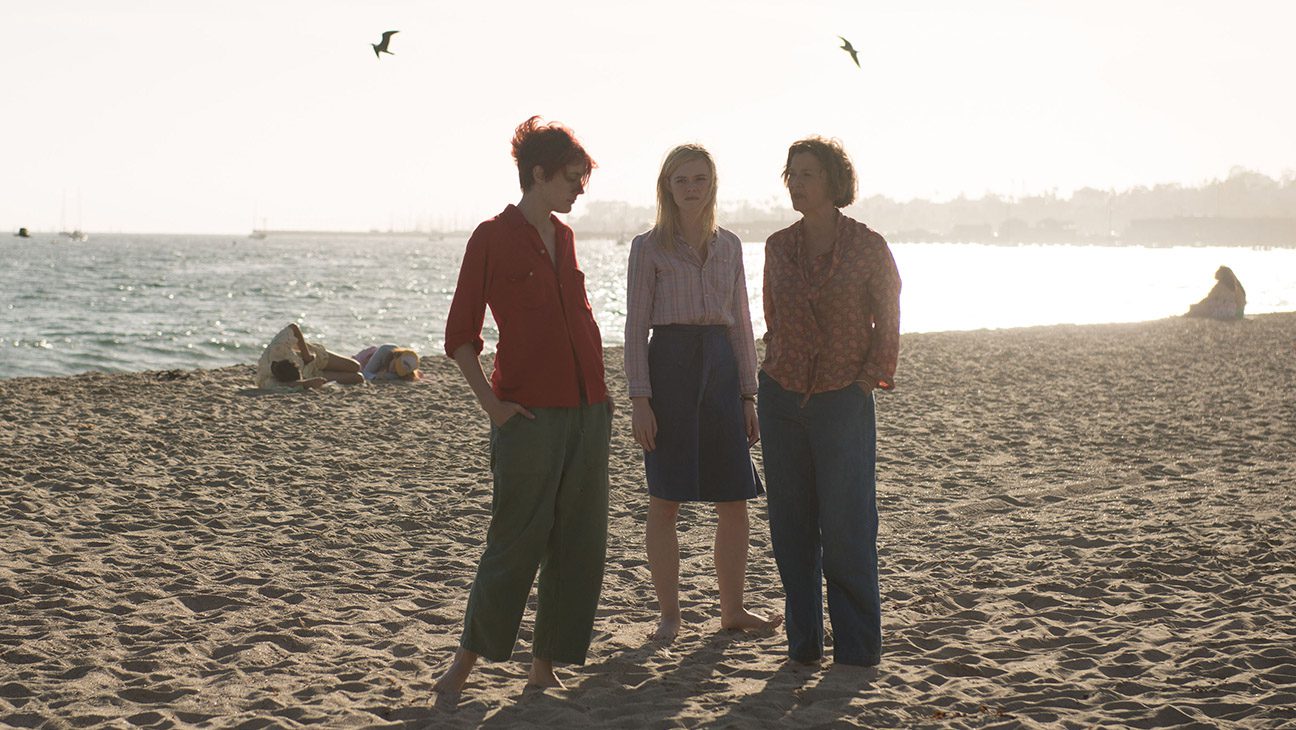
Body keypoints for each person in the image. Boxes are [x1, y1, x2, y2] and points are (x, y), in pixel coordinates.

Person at [434, 116, 612, 695]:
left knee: (579, 541)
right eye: (570, 178)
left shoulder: (565, 237)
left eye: (582, 180)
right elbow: (461, 334)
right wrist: (491, 406)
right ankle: (465, 662)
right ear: (537, 174)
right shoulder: (490, 237)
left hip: (589, 408)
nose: (578, 191)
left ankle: (545, 667)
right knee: (515, 540)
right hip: (528, 414)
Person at [625, 144, 782, 642]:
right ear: (666, 187)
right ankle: (670, 615)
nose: (691, 188)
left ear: (712, 185)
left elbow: (742, 323)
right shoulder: (647, 247)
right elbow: (633, 329)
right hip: (668, 367)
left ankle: (731, 610)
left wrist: (748, 395)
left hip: (720, 367)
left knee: (734, 497)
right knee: (664, 499)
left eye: (699, 179)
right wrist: (640, 400)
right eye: (681, 180)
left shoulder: (731, 245)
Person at [757, 136, 901, 668]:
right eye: (791, 173)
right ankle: (803, 645)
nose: (796, 182)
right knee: (791, 529)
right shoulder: (777, 247)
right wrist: (776, 374)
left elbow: (888, 321)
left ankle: (859, 648)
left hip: (843, 398)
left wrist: (866, 381)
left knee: (846, 527)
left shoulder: (868, 247)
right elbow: (773, 319)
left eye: (808, 174)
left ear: (834, 183)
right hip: (781, 397)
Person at [254, 322, 363, 389]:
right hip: (310, 374)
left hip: (313, 357)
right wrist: (307, 382)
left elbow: (293, 327)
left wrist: (306, 355)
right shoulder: (267, 380)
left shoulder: (277, 348)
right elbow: (290, 386)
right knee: (358, 378)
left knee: (355, 366)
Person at [354, 344, 423, 381]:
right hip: (362, 359)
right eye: (395, 366)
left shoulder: (406, 373)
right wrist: (375, 377)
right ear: (396, 356)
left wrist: (387, 376)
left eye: (397, 371)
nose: (394, 370)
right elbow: (366, 373)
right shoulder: (384, 350)